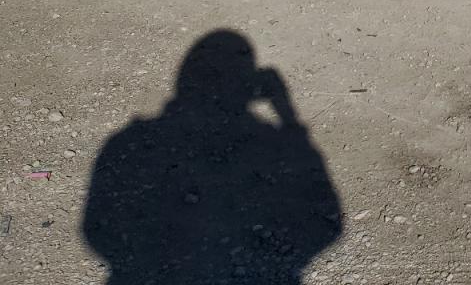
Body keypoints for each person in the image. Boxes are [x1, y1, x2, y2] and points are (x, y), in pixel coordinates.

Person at [82, 30, 342, 284]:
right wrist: (289, 119)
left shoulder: (127, 142)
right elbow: (326, 223)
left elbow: (95, 229)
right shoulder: (271, 141)